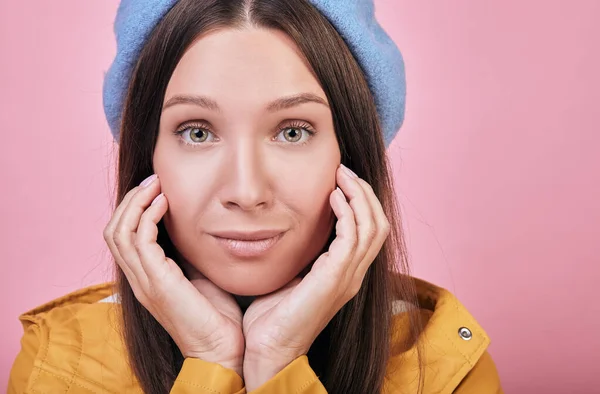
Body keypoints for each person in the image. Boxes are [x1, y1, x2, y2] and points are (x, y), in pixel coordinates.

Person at [8, 0, 503, 393]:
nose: (246, 192)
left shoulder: (443, 369)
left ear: (351, 155)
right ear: (147, 157)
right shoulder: (63, 365)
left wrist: (278, 358)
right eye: (197, 132)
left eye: (292, 131)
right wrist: (210, 359)